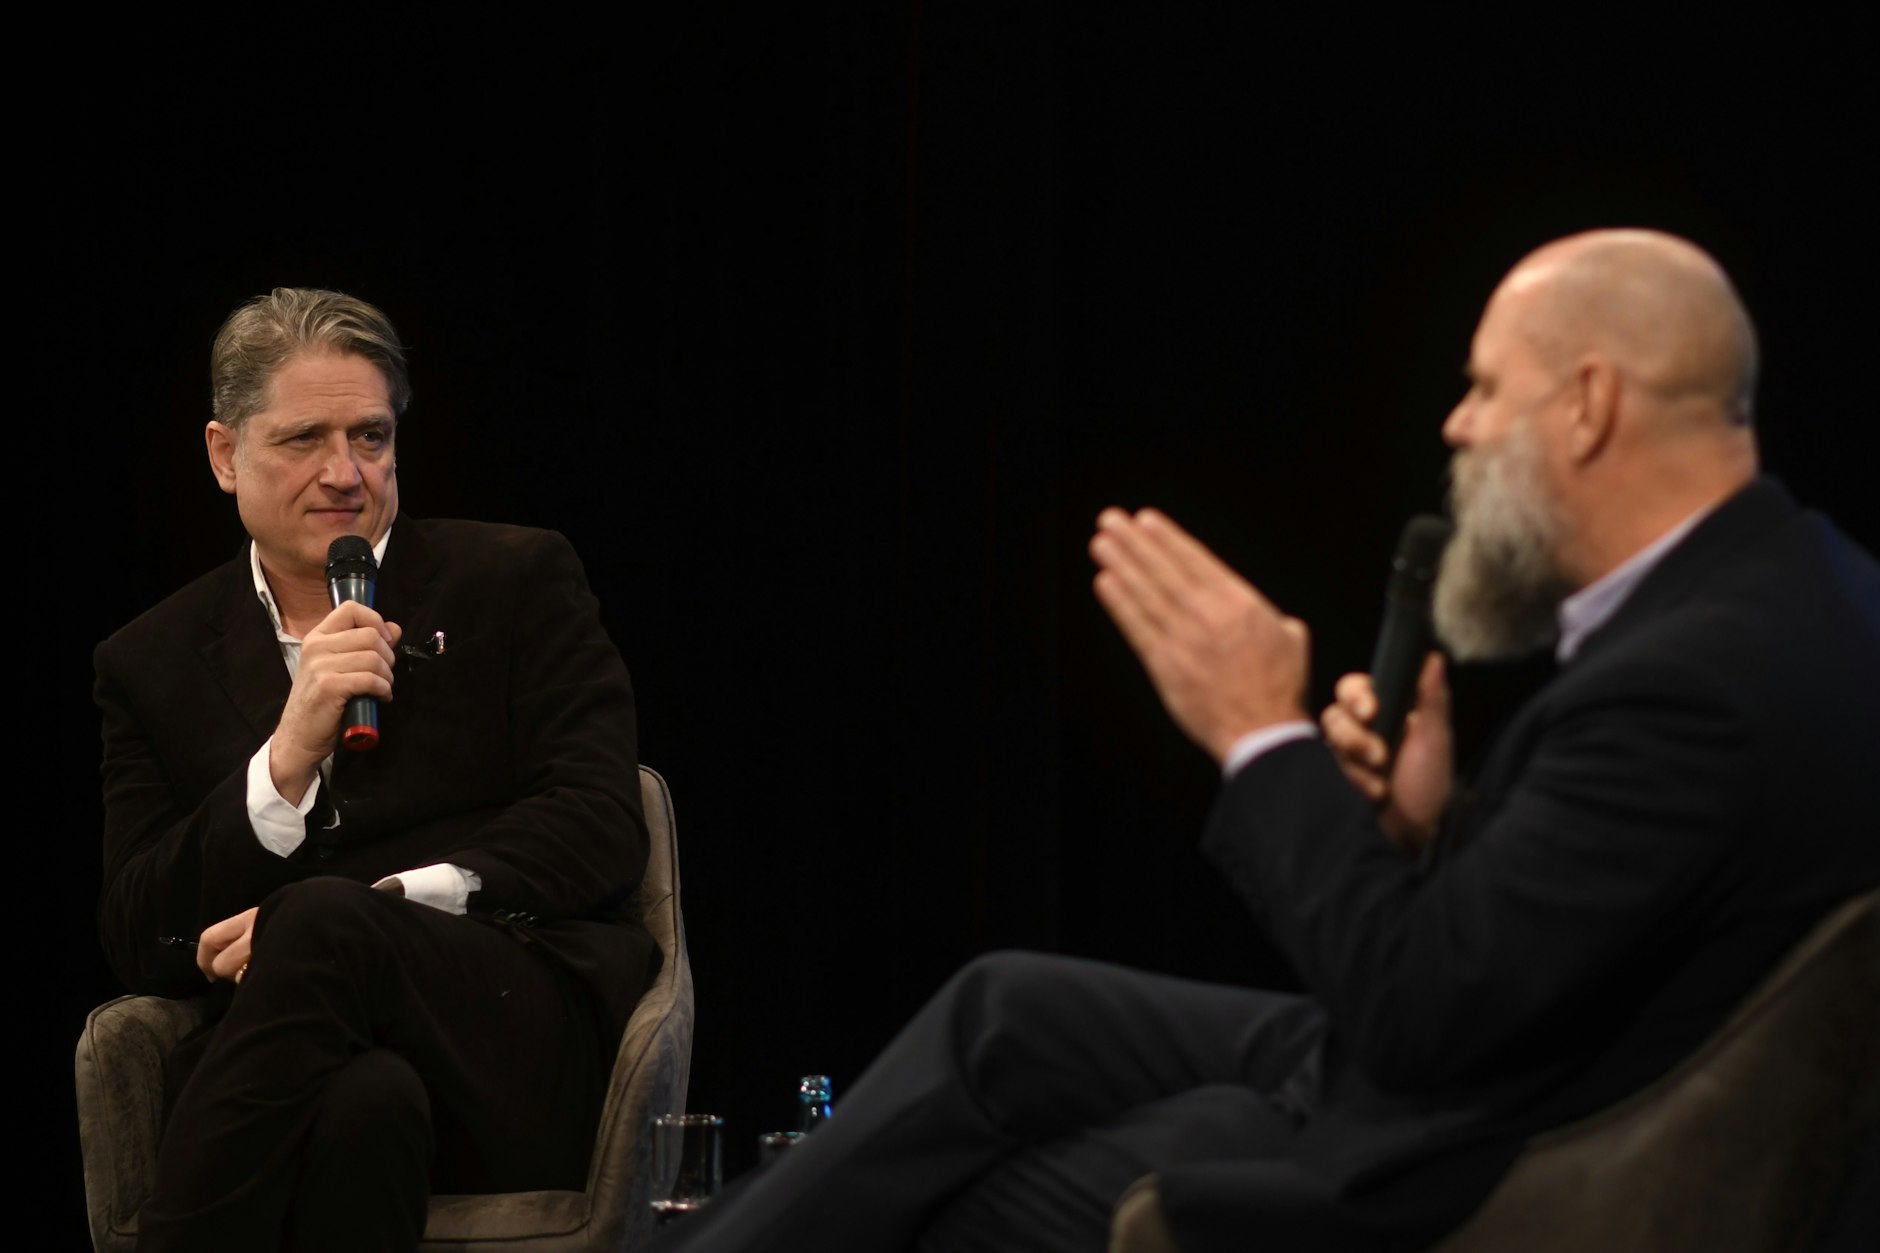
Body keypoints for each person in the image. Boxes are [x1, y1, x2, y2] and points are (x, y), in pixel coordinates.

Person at [647, 230, 1879, 1253]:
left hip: (1474, 1149)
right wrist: (1427, 830)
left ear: (1588, 403)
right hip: (1509, 1064)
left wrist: (1260, 734)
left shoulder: (1691, 674)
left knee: (950, 1208)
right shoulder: (1802, 591)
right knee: (1004, 1007)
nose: (1455, 426)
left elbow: (1421, 1015)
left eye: (1484, 387)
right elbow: (1598, 921)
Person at [93, 288, 655, 1252]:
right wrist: (283, 760)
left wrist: (374, 909)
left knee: (321, 917)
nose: (346, 473)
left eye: (372, 436)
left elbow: (601, 819)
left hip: (505, 1030)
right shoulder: (150, 659)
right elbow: (143, 932)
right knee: (365, 1104)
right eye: (306, 438)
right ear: (226, 454)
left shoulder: (514, 581)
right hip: (300, 1076)